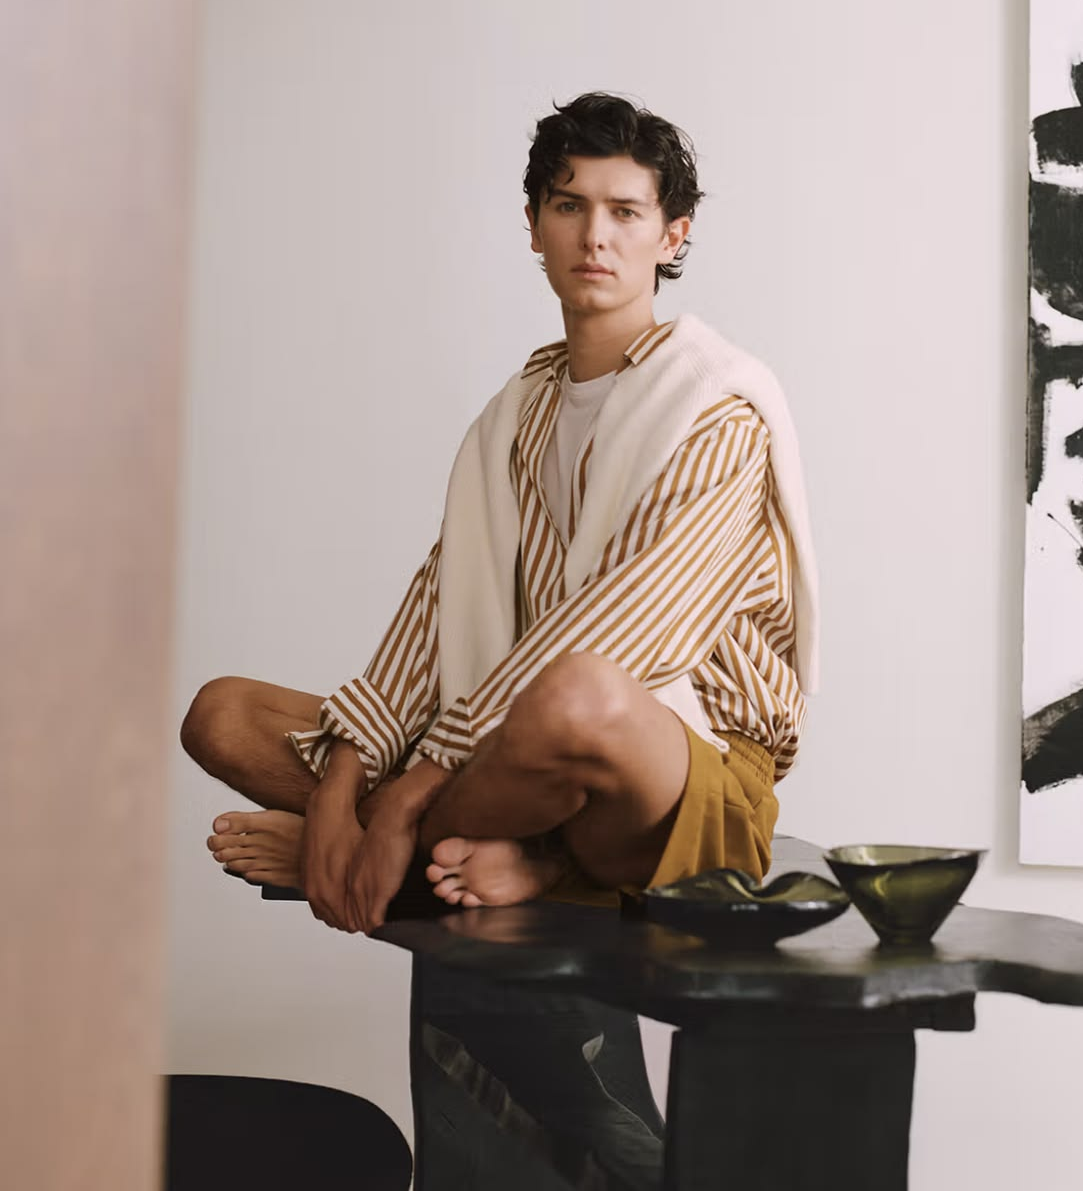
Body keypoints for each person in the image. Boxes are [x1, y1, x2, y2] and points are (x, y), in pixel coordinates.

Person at [181, 92, 818, 934]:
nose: (595, 237)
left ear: (672, 236)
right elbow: (435, 617)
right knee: (224, 714)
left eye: (625, 212)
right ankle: (505, 855)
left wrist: (402, 798)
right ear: (534, 226)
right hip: (511, 755)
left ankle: (421, 856)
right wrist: (340, 786)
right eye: (570, 206)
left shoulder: (715, 408)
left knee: (578, 694)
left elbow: (620, 640)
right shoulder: (515, 417)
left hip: (676, 767)